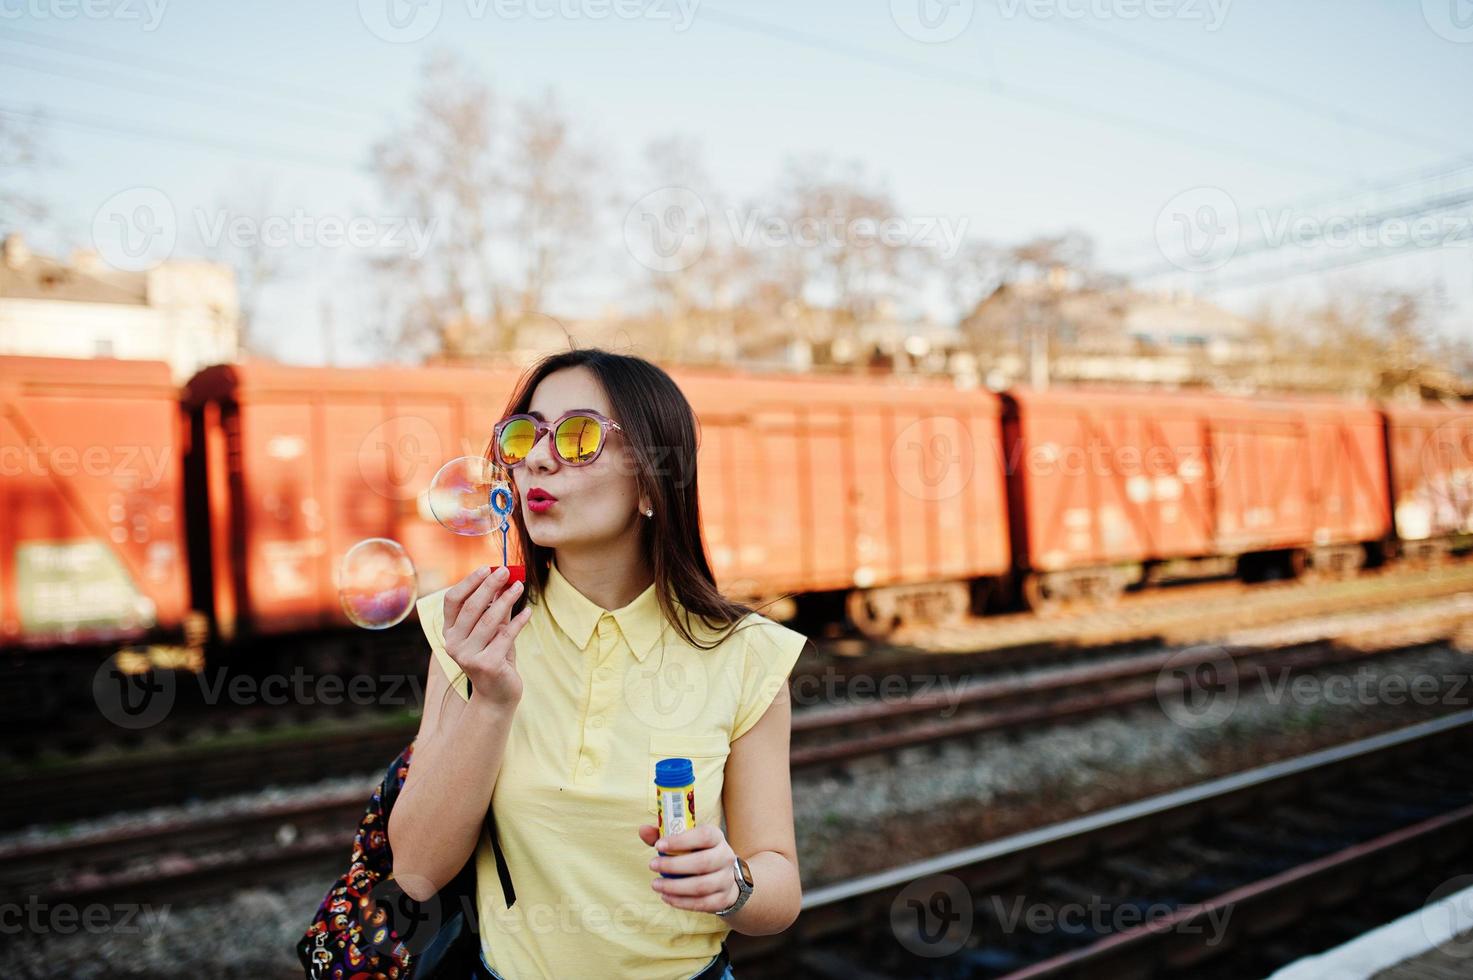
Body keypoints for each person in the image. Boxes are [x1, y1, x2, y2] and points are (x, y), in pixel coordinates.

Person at [388, 347, 808, 979]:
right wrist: (492, 699)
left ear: (651, 482)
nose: (535, 456)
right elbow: (416, 871)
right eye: (525, 433)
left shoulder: (746, 654)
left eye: (579, 436)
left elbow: (778, 888)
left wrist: (734, 884)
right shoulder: (473, 633)